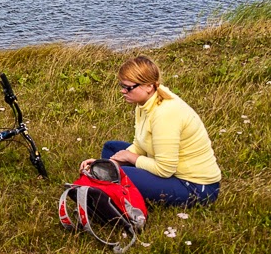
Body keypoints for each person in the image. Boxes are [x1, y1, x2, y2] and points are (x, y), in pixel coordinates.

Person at [79, 56, 221, 206]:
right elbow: (140, 145)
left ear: (148, 86)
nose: (123, 91)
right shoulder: (145, 103)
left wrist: (130, 158)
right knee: (111, 148)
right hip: (169, 170)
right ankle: (107, 183)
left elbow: (165, 169)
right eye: (122, 85)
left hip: (196, 188)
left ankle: (109, 194)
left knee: (120, 175)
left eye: (128, 87)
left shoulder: (165, 113)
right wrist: (108, 163)